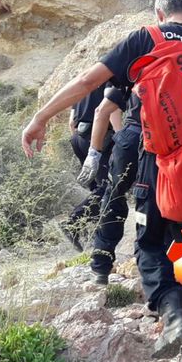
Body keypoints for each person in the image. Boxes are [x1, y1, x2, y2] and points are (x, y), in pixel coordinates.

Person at [23, 0, 182, 362]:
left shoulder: (144, 39)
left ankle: (172, 312)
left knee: (149, 242)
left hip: (155, 159)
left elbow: (88, 83)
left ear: (160, 13)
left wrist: (41, 117)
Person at [82, 85, 141, 285]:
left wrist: (94, 154)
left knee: (113, 197)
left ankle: (101, 265)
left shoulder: (137, 65)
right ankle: (148, 263)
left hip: (131, 137)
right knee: (153, 201)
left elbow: (102, 110)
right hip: (167, 141)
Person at [60, 81, 113, 251]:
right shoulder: (113, 83)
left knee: (97, 188)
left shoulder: (85, 84)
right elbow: (112, 113)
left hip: (78, 138)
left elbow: (71, 123)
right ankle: (73, 223)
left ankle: (91, 231)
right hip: (98, 139)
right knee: (107, 187)